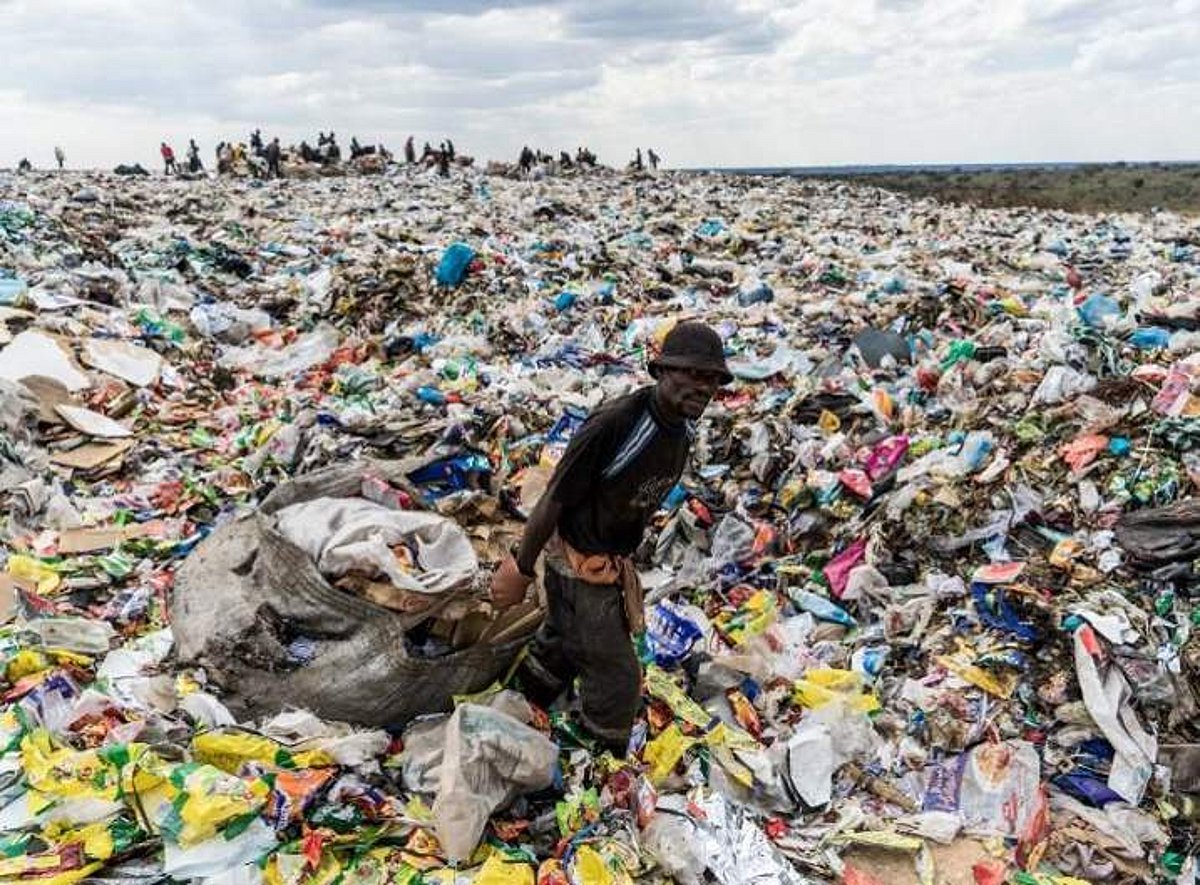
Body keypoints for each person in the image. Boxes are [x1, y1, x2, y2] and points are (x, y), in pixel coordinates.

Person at [490, 321, 731, 754]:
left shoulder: (679, 432)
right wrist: (521, 568)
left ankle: (520, 703)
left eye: (713, 379)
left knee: (563, 642)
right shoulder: (618, 423)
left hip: (606, 562)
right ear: (662, 370)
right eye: (693, 374)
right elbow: (554, 498)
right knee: (618, 680)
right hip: (579, 564)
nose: (704, 387)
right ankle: (598, 761)